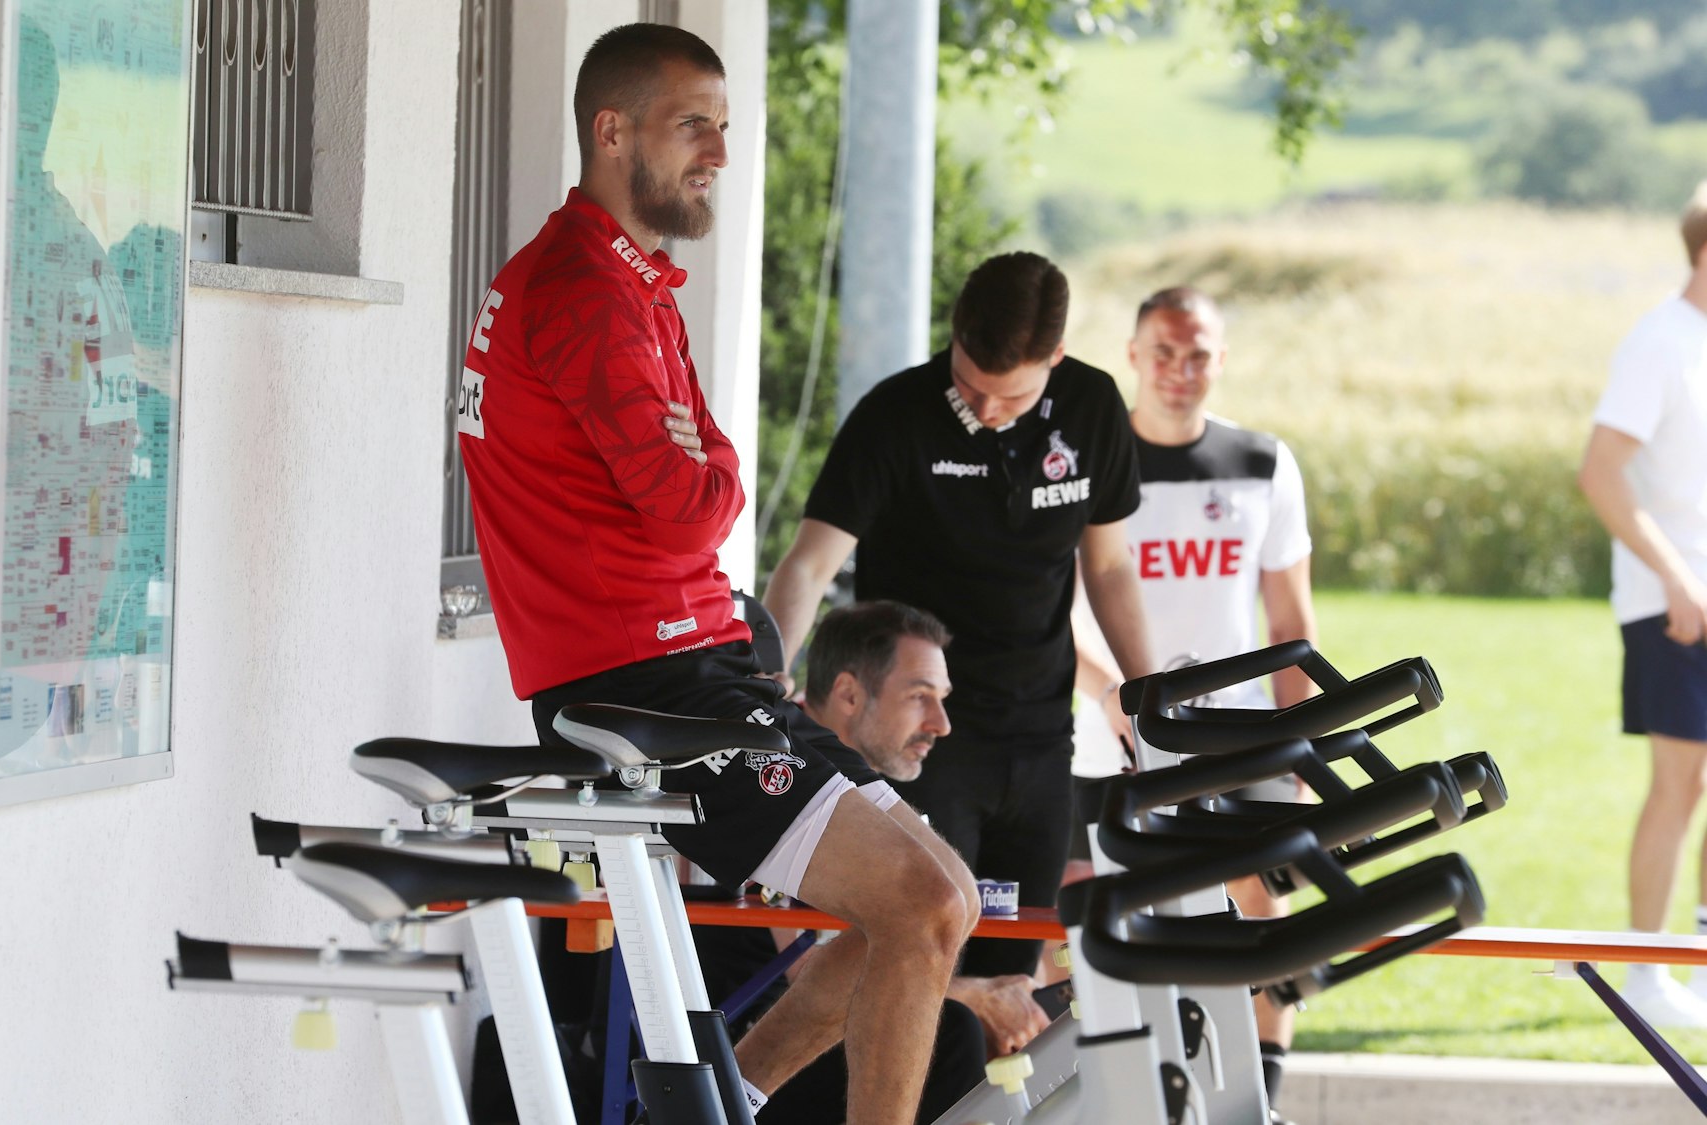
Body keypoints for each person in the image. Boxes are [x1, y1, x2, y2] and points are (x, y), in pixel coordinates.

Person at [457, 24, 976, 1122]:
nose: (720, 154)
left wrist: (713, 470)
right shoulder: (583, 292)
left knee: (947, 894)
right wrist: (714, 474)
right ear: (612, 131)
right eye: (693, 124)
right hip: (646, 683)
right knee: (921, 900)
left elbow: (708, 470)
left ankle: (729, 1096)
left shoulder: (629, 279)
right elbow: (692, 505)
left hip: (703, 665)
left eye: (725, 127)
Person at [765, 251, 1154, 979]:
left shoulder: (1092, 405)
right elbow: (810, 563)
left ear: (1056, 359)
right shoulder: (895, 414)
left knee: (1012, 975)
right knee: (920, 963)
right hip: (918, 738)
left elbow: (1109, 567)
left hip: (1040, 735)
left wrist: (1147, 692)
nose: (985, 410)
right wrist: (765, 677)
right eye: (970, 387)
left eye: (1010, 397)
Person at [1065, 286, 1319, 1122]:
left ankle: (1259, 1103)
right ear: (1133, 356)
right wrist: (1110, 694)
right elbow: (1051, 611)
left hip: (1240, 738)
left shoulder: (1262, 462)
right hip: (1107, 740)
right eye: (1164, 353)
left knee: (1266, 914)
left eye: (1198, 354)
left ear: (1221, 360)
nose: (1180, 370)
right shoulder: (1085, 463)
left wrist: (1301, 753)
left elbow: (1291, 624)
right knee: (1089, 934)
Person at [698, 600, 1057, 1123]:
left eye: (942, 700)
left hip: (784, 1047)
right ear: (848, 693)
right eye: (919, 696)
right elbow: (805, 967)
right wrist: (974, 996)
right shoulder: (771, 763)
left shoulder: (872, 799)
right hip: (738, 1032)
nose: (941, 723)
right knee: (956, 1028)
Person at [1577, 180, 1707, 1029]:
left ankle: (1698, 961)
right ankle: (1646, 972)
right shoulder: (1660, 342)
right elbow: (1600, 472)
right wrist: (1677, 579)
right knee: (1679, 783)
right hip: (1672, 605)